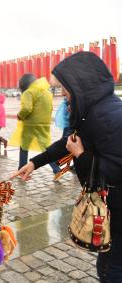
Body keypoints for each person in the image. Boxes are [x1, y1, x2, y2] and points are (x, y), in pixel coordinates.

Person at [12, 51, 122, 283]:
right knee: (106, 265)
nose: (63, 94)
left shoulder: (109, 118)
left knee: (112, 271)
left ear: (81, 85)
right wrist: (35, 162)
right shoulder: (96, 110)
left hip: (118, 212)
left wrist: (80, 155)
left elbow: (110, 175)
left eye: (65, 88)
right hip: (113, 212)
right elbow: (68, 141)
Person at [8, 73, 60, 176]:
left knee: (24, 147)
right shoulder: (46, 92)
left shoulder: (29, 92)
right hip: (44, 124)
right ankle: (56, 169)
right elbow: (50, 107)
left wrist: (20, 115)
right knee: (46, 148)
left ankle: (21, 169)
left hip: (30, 124)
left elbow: (27, 108)